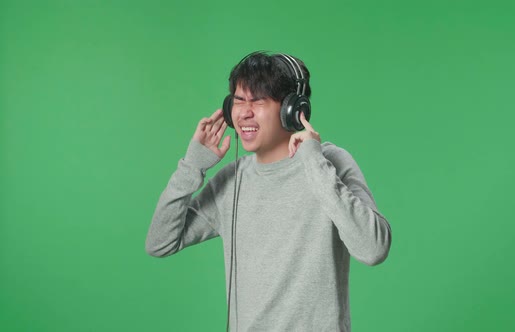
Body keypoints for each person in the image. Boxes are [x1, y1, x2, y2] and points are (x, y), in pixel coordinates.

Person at [145, 51, 392, 331]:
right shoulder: (232, 180)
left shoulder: (329, 163)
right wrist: (192, 166)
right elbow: (159, 242)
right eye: (238, 101)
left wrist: (313, 161)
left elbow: (373, 248)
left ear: (293, 109)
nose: (244, 112)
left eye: (258, 101)